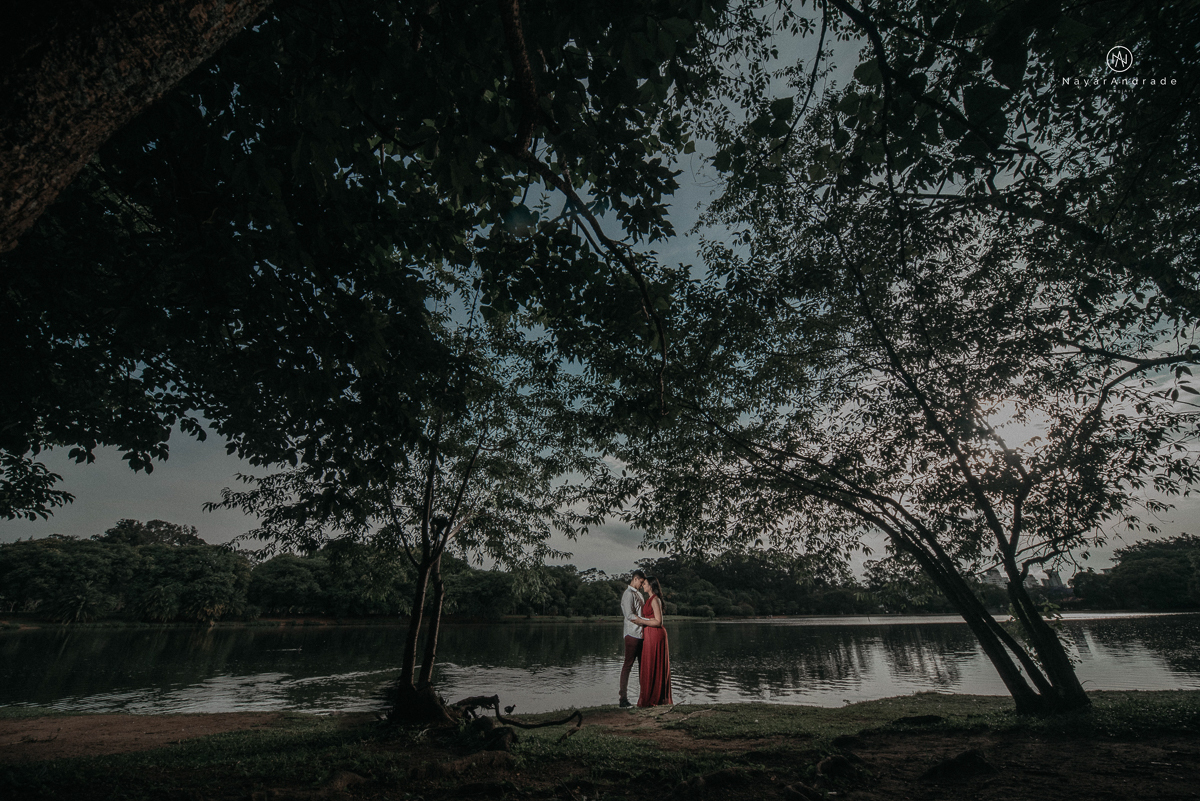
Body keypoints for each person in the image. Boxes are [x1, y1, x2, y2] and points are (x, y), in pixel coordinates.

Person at [630, 575, 672, 707]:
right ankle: (649, 696)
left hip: (655, 634)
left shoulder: (655, 600)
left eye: (645, 583)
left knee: (654, 663)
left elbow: (659, 621)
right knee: (648, 664)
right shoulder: (649, 599)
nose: (643, 585)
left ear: (651, 586)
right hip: (649, 634)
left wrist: (640, 620)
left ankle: (655, 697)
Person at [618, 570, 647, 707]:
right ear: (635, 579)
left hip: (642, 634)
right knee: (628, 665)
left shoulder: (639, 594)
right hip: (632, 634)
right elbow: (629, 615)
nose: (642, 585)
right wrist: (647, 622)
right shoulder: (628, 594)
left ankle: (644, 698)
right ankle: (623, 699)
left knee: (643, 666)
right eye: (641, 582)